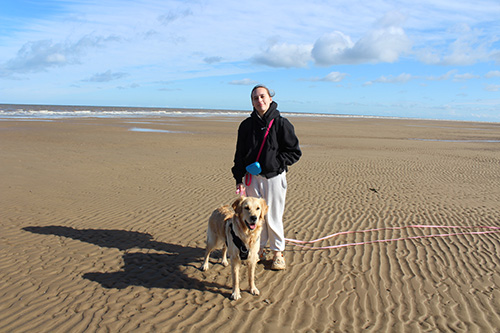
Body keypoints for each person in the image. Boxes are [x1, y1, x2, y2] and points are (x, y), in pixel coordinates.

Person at [232, 85, 301, 270]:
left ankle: (278, 253)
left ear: (270, 98)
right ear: (252, 102)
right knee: (254, 216)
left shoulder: (282, 124)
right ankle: (259, 250)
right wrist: (239, 178)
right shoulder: (246, 125)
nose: (259, 100)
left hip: (274, 178)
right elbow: (239, 154)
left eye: (262, 96)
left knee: (273, 216)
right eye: (255, 98)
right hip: (251, 178)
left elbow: (294, 152)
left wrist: (275, 163)